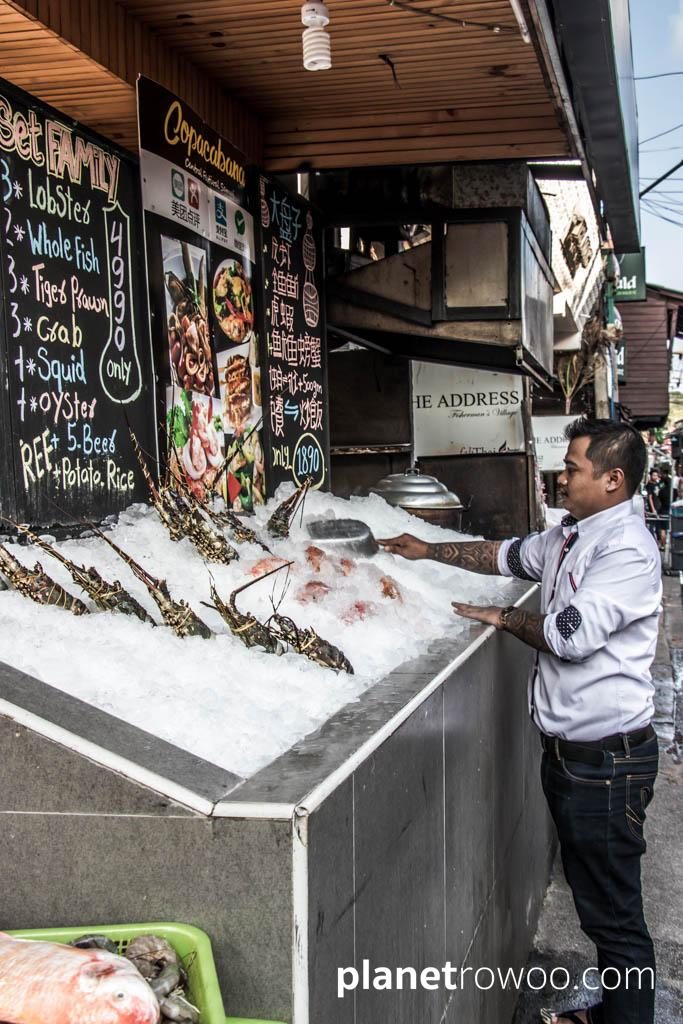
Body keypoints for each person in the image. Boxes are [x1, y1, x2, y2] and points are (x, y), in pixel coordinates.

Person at [378, 418, 661, 1024]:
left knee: (616, 918)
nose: (563, 475)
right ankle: (614, 1012)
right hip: (573, 758)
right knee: (597, 906)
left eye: (575, 467)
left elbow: (570, 635)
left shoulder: (628, 551)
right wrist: (428, 549)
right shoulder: (571, 536)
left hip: (608, 764)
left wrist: (505, 620)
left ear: (613, 481)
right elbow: (503, 554)